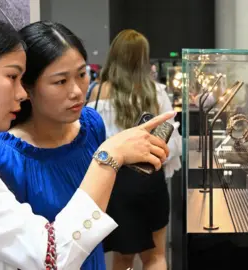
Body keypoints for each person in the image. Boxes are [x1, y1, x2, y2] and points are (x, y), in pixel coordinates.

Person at [0, 13, 175, 269]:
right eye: (11, 77)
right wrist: (107, 158)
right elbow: (50, 256)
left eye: (82, 74)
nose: (20, 93)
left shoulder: (90, 124)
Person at [0, 21, 108, 270]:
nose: (76, 91)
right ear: (27, 87)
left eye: (82, 75)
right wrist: (112, 157)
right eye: (60, 81)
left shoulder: (92, 124)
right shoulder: (4, 159)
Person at [87, 29, 182, 270]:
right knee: (156, 256)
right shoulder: (156, 92)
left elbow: (91, 140)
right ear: (143, 58)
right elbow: (172, 145)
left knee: (122, 258)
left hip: (114, 183)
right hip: (150, 181)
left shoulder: (97, 93)